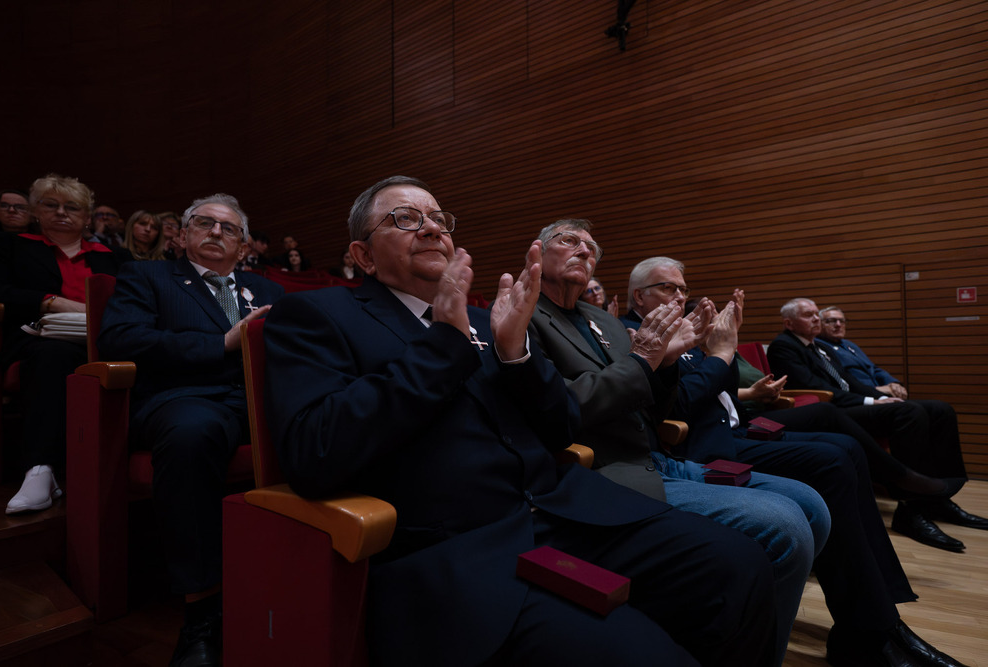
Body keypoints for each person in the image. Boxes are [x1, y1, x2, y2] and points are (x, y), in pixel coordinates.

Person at [263, 176, 778, 667]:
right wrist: (444, 342)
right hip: (461, 549)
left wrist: (516, 358)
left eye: (439, 218)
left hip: (564, 512)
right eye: (404, 218)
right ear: (362, 256)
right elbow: (315, 452)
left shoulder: (494, 320)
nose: (431, 228)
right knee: (639, 654)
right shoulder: (316, 315)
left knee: (740, 566)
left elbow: (560, 426)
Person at [627, 257, 968, 667]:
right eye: (667, 288)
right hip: (703, 449)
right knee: (831, 460)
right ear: (638, 297)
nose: (680, 296)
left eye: (682, 288)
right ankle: (870, 626)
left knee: (843, 451)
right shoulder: (638, 334)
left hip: (729, 431)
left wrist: (722, 348)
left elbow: (720, 388)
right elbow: (679, 404)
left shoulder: (679, 330)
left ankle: (882, 617)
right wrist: (721, 351)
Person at [527, 219, 828, 665]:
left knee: (812, 506)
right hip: (607, 471)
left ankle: (756, 641)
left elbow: (655, 406)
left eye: (592, 247)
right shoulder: (522, 315)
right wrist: (650, 359)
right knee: (784, 525)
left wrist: (665, 365)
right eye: (570, 241)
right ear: (537, 252)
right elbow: (564, 409)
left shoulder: (603, 320)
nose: (585, 251)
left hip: (657, 455)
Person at [98, 193, 283, 667]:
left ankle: (298, 577)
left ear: (244, 247)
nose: (216, 232)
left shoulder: (268, 290)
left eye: (229, 229)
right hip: (185, 398)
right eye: (204, 224)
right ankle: (202, 611)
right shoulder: (147, 276)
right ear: (182, 236)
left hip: (258, 401)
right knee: (191, 435)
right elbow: (121, 338)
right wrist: (220, 342)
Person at [768, 298, 985, 553]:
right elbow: (818, 389)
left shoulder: (817, 347)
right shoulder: (783, 346)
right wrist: (871, 400)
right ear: (789, 323)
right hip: (835, 410)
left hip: (850, 404)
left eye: (817, 314)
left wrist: (880, 397)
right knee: (908, 413)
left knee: (940, 409)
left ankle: (939, 499)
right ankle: (911, 509)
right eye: (809, 315)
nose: (816, 319)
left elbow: (848, 380)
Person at [0, 174, 123, 514]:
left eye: (72, 207)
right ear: (36, 211)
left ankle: (118, 468)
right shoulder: (12, 247)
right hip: (40, 338)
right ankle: (41, 469)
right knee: (53, 355)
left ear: (87, 216)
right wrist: (53, 302)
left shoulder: (113, 256)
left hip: (103, 339)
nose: (62, 212)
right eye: (52, 205)